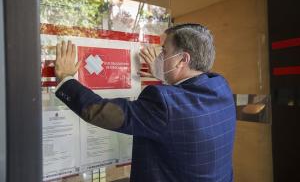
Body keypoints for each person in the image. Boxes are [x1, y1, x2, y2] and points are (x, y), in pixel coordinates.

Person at [54, 23, 236, 182]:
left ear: (183, 59)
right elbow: (186, 108)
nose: (160, 57)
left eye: (164, 51)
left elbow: (99, 111)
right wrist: (164, 79)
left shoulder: (163, 103)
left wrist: (66, 79)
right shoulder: (221, 87)